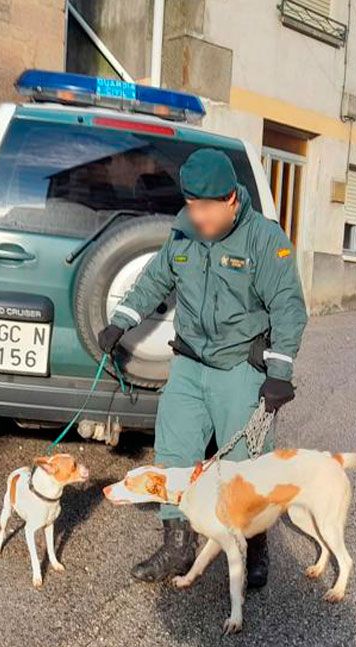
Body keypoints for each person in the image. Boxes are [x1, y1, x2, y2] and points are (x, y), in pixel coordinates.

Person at [97, 148, 308, 588]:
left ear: (232, 199)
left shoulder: (265, 241)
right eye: (191, 206)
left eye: (207, 208)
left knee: (244, 465)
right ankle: (177, 545)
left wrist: (279, 373)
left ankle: (254, 546)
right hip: (191, 363)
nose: (198, 217)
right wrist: (120, 322)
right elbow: (156, 279)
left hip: (239, 366)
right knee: (174, 454)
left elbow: (288, 308)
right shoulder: (183, 234)